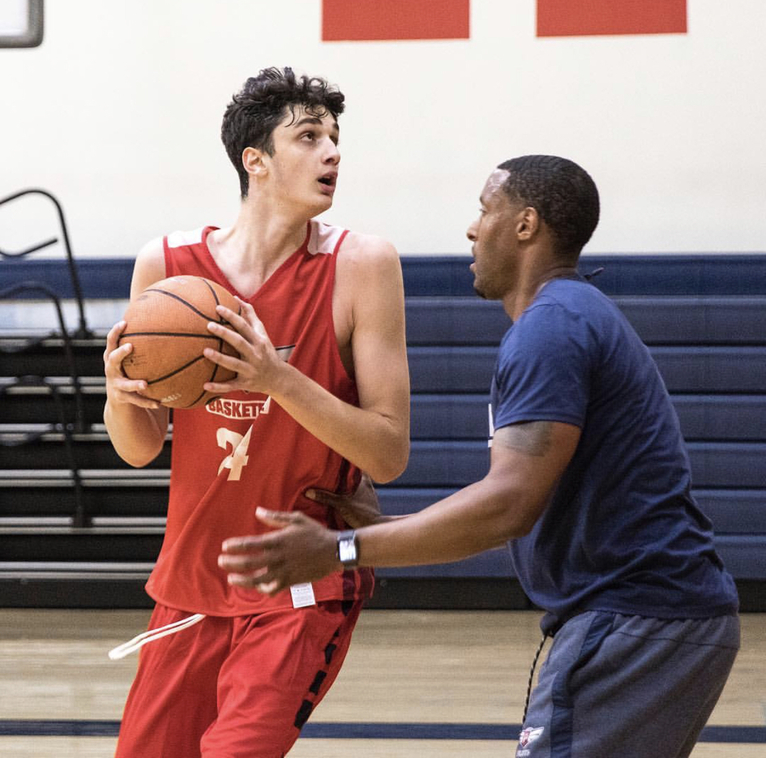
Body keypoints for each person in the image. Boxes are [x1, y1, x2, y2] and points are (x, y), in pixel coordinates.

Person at [219, 155, 741, 758]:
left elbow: (508, 506)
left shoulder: (551, 328)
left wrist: (339, 550)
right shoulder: (569, 316)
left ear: (525, 225)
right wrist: (393, 528)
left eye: (485, 210)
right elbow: (521, 510)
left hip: (636, 619)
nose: (472, 228)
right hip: (662, 617)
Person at [102, 67, 410, 758]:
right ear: (256, 160)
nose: (333, 152)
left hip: (299, 582)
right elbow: (139, 448)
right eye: (310, 136)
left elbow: (388, 454)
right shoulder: (167, 266)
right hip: (190, 582)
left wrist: (275, 377)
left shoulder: (361, 264)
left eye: (335, 137)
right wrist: (119, 395)